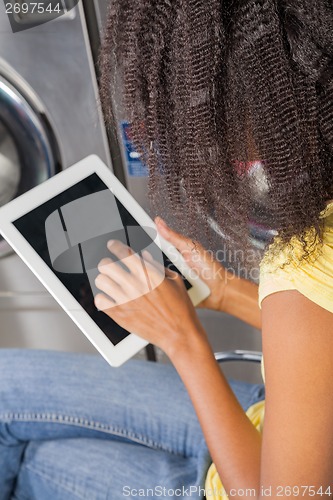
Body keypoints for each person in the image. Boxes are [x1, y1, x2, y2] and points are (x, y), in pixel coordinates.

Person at [1, 0, 332, 498]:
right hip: (280, 414)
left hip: (234, 480)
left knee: (35, 459)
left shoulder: (300, 270)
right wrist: (222, 291)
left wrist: (183, 341)